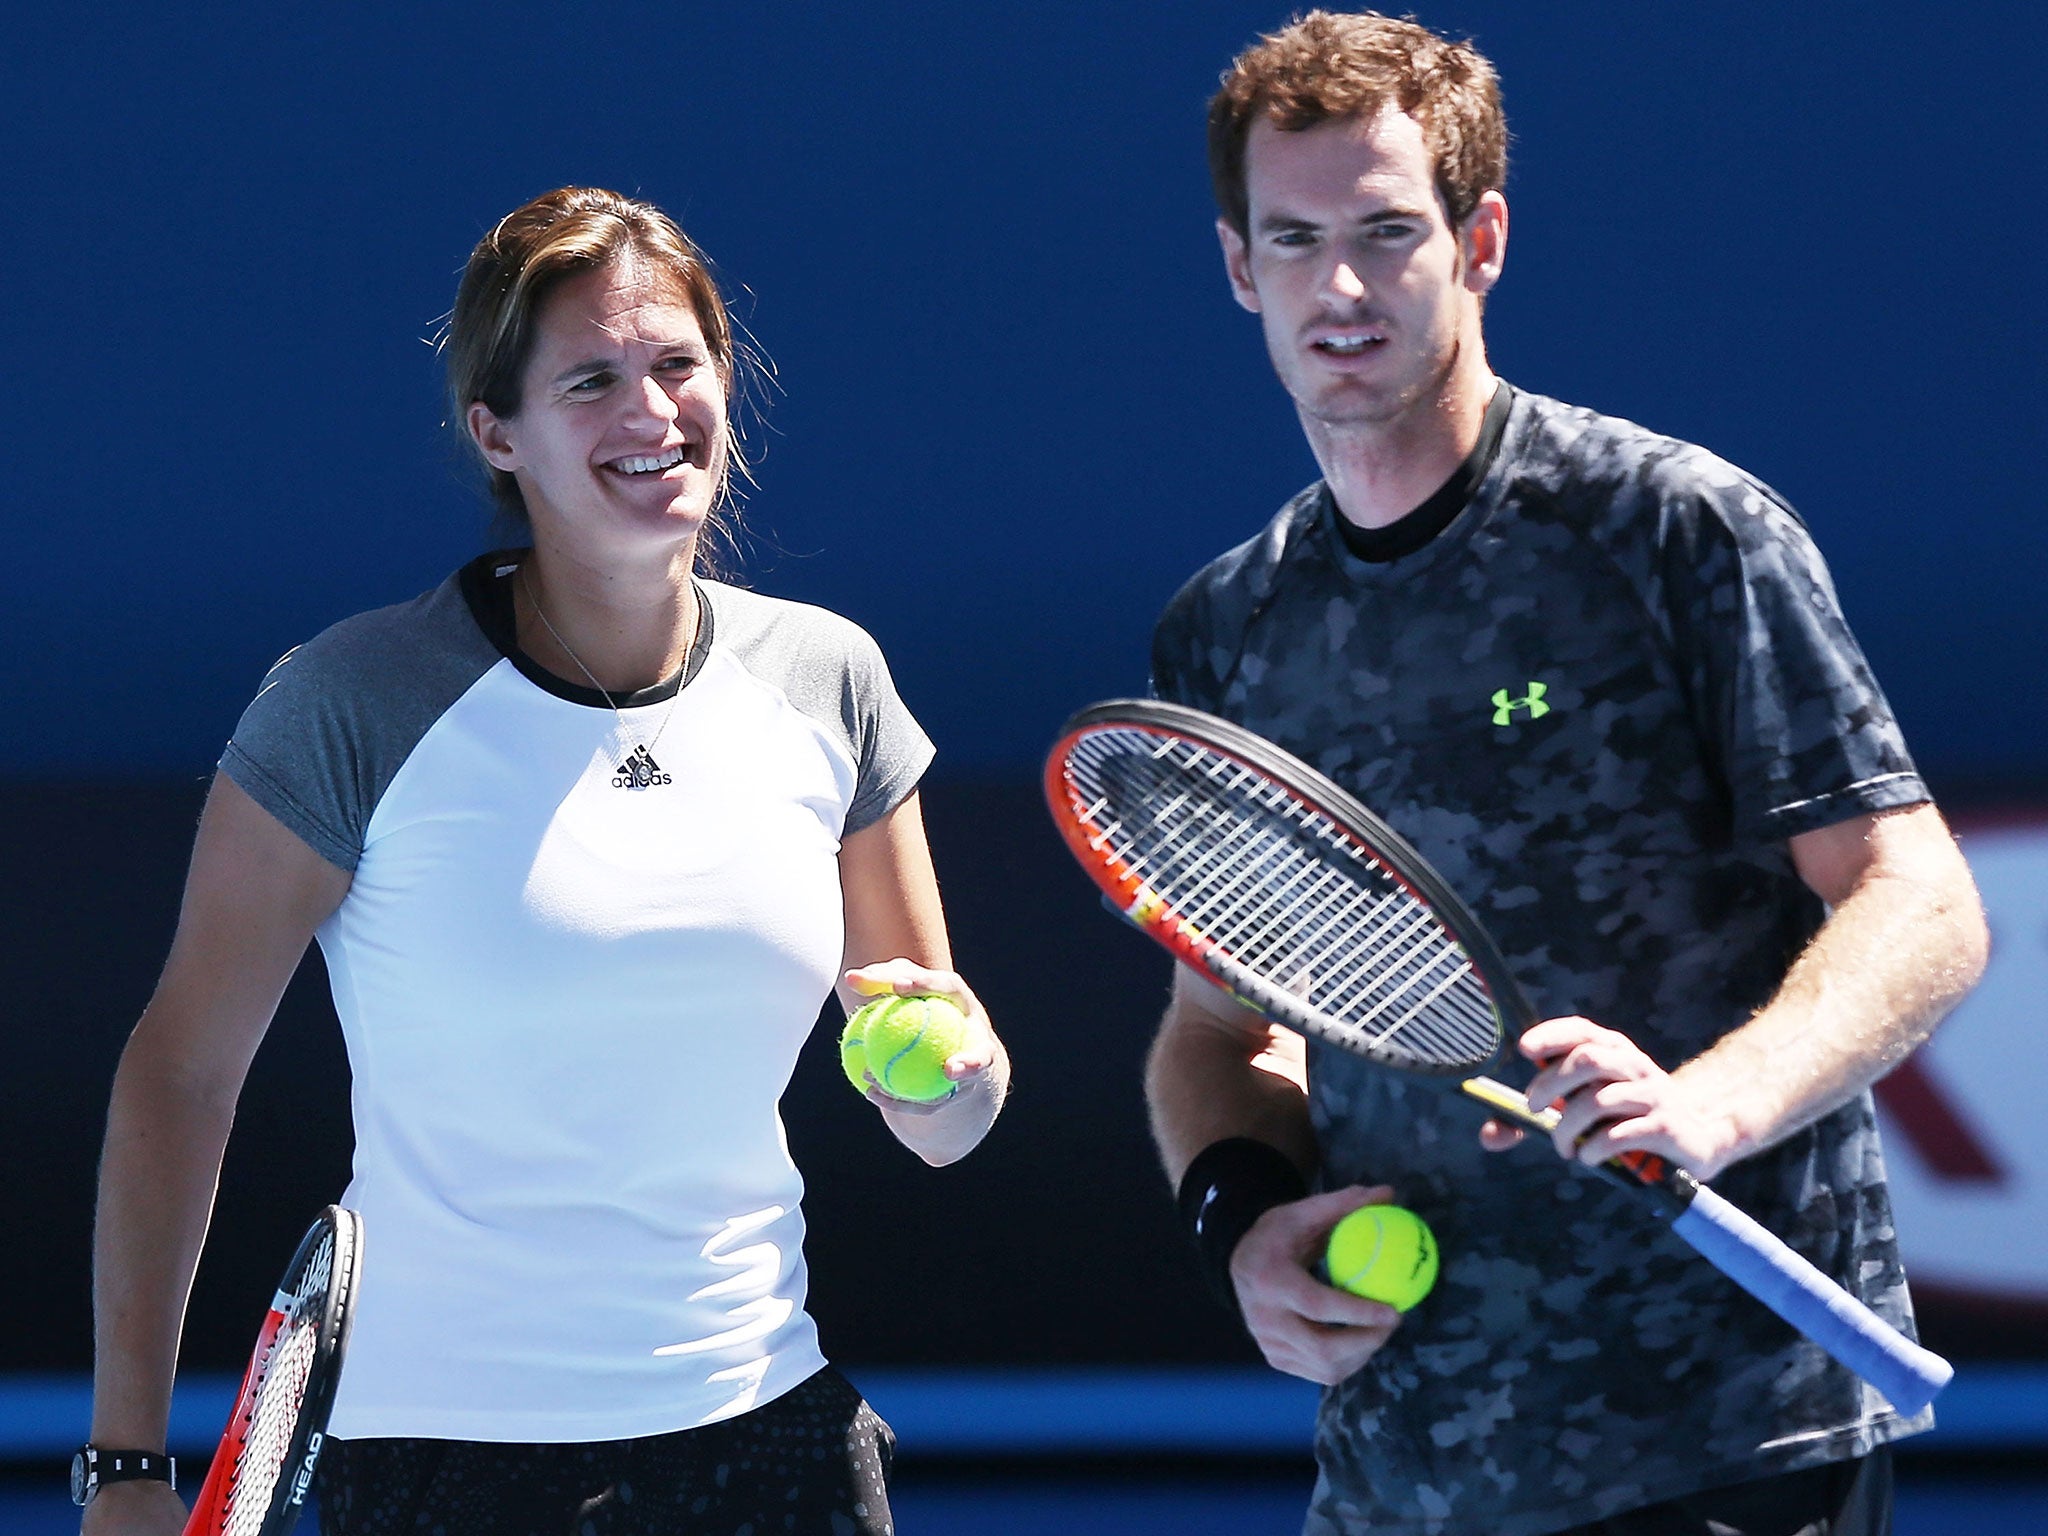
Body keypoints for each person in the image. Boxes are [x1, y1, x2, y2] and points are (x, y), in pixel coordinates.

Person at [1142, 14, 1987, 1536]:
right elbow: (1222, 1032)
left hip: (1729, 1446)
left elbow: (1919, 901)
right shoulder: (1227, 630)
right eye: (1297, 239)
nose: (1341, 288)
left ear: (1482, 242)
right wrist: (1243, 1223)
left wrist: (1711, 1107)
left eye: (1390, 233)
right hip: (1400, 1474)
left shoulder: (1676, 530)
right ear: (1236, 268)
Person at [79, 185, 1009, 1536]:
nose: (649, 413)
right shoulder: (354, 701)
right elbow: (181, 1071)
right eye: (591, 379)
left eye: (677, 365)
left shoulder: (831, 680)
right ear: (497, 432)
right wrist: (125, 1465)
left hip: (778, 1448)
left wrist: (955, 1084)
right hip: (444, 1464)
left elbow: (944, 1109)